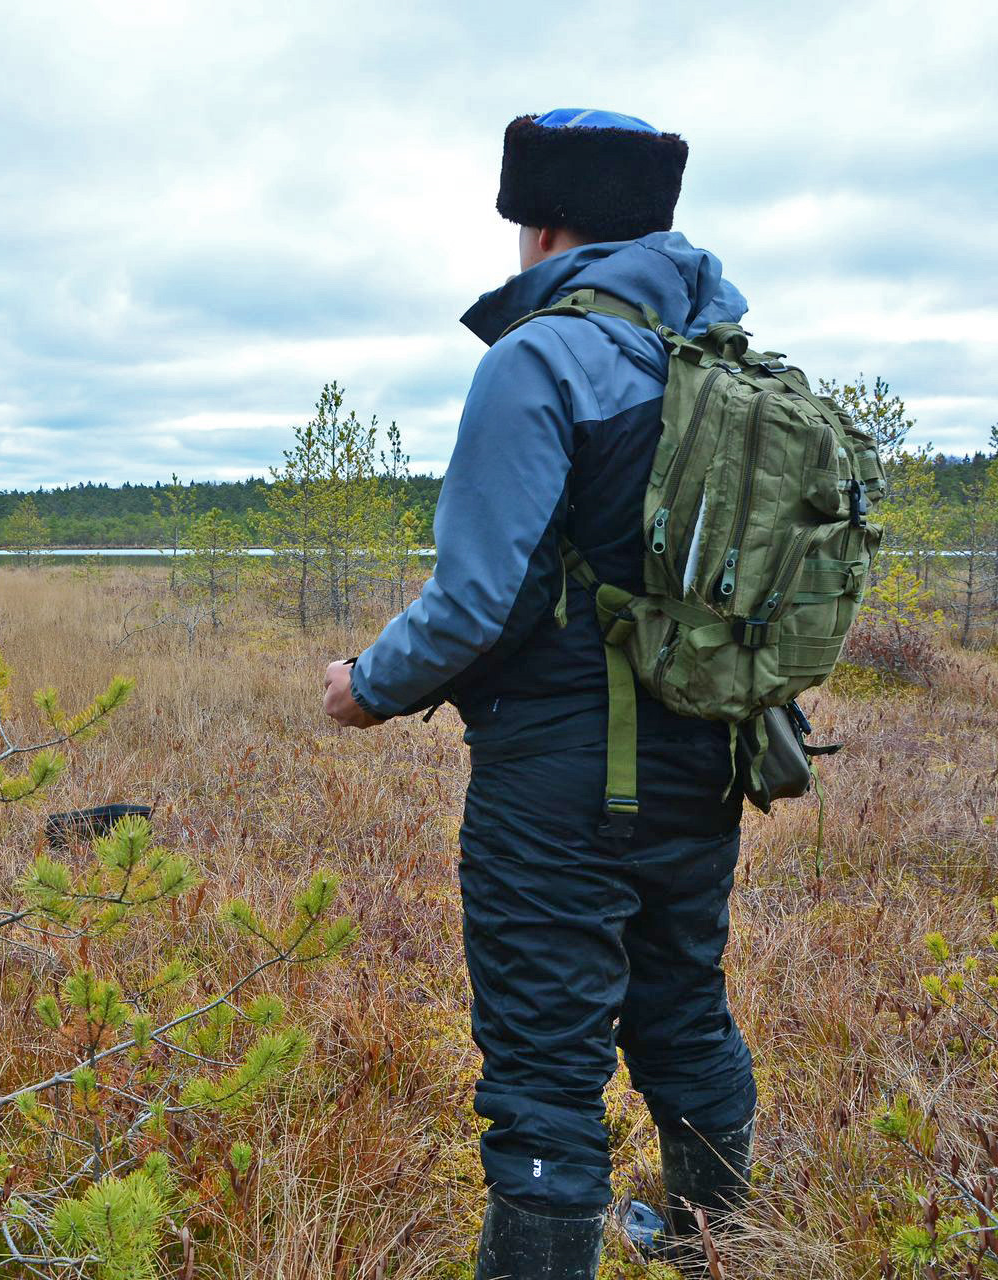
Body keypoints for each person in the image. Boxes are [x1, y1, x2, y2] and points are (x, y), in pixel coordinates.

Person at [321, 109, 755, 1277]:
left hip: (559, 781)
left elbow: (474, 599)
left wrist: (364, 685)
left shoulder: (538, 359)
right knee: (683, 1006)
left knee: (543, 1066)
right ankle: (714, 1244)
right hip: (709, 753)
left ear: (545, 226)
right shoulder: (716, 358)